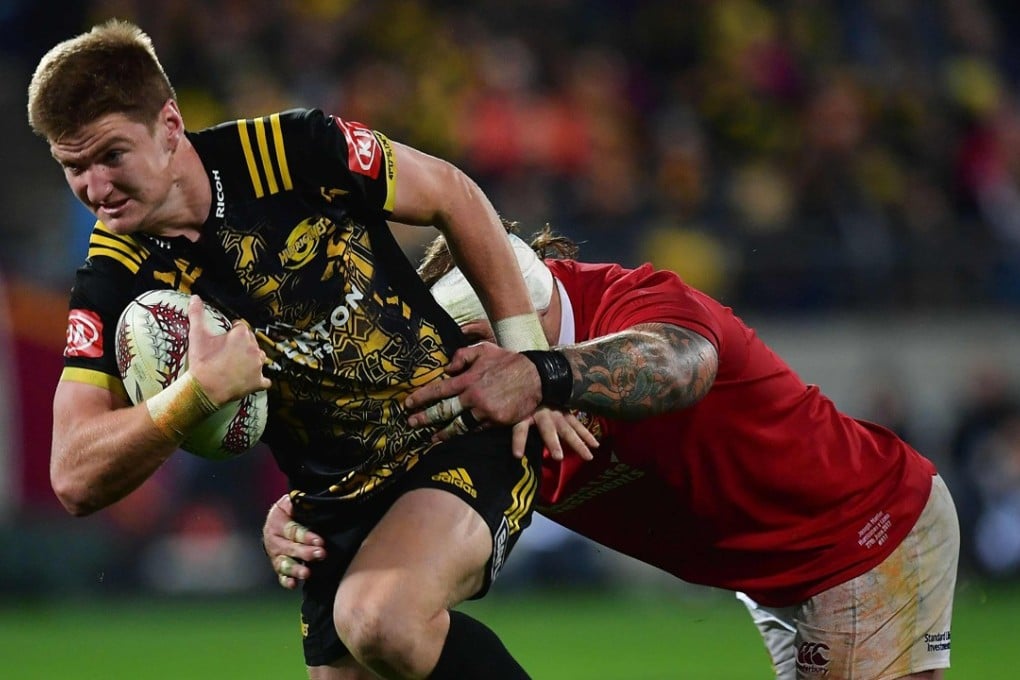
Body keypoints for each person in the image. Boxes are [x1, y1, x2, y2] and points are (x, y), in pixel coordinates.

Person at [28, 20, 593, 680]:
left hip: (450, 433)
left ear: (169, 125)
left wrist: (528, 361)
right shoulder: (112, 277)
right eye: (74, 168)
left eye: (112, 156)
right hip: (329, 502)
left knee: (382, 618)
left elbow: (451, 193)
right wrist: (197, 394)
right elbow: (71, 476)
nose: (96, 189)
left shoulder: (286, 150)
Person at [266, 227, 960, 680]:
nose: (476, 369)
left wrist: (547, 374)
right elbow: (388, 465)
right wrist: (299, 510)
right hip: (774, 571)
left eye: (490, 341)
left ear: (528, 305)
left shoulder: (634, 299)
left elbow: (681, 363)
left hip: (867, 534)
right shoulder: (474, 385)